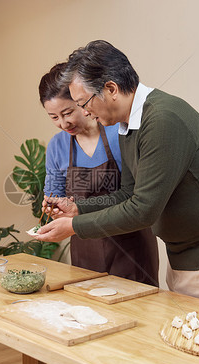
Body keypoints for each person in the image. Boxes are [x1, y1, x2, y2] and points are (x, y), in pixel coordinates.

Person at [35, 41, 199, 310]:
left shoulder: (162, 120)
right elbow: (128, 193)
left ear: (111, 89)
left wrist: (73, 227)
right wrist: (77, 208)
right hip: (185, 257)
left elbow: (143, 210)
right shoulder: (128, 125)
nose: (84, 113)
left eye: (83, 103)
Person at [38, 62, 159, 286]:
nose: (63, 123)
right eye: (54, 117)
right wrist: (53, 206)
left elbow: (137, 195)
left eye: (67, 113)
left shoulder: (118, 131)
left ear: (82, 102)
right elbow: (54, 194)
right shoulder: (58, 146)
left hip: (131, 247)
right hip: (85, 250)